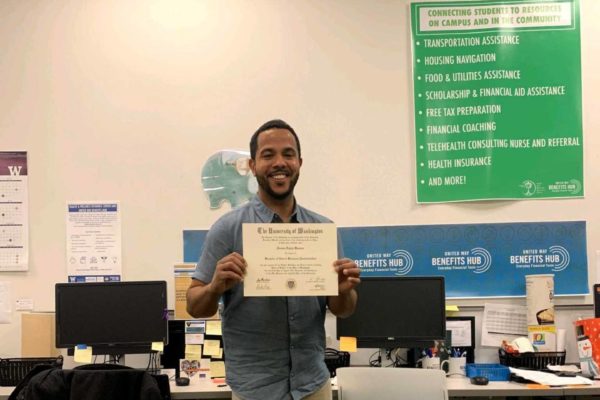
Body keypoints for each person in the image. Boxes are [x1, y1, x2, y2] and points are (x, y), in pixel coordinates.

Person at [186, 119, 360, 400]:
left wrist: (344, 290)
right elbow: (195, 306)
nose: (280, 162)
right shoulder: (228, 229)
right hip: (255, 389)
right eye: (268, 155)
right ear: (253, 165)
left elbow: (344, 309)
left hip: (312, 386)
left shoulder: (322, 230)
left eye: (288, 154)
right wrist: (215, 286)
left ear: (299, 163)